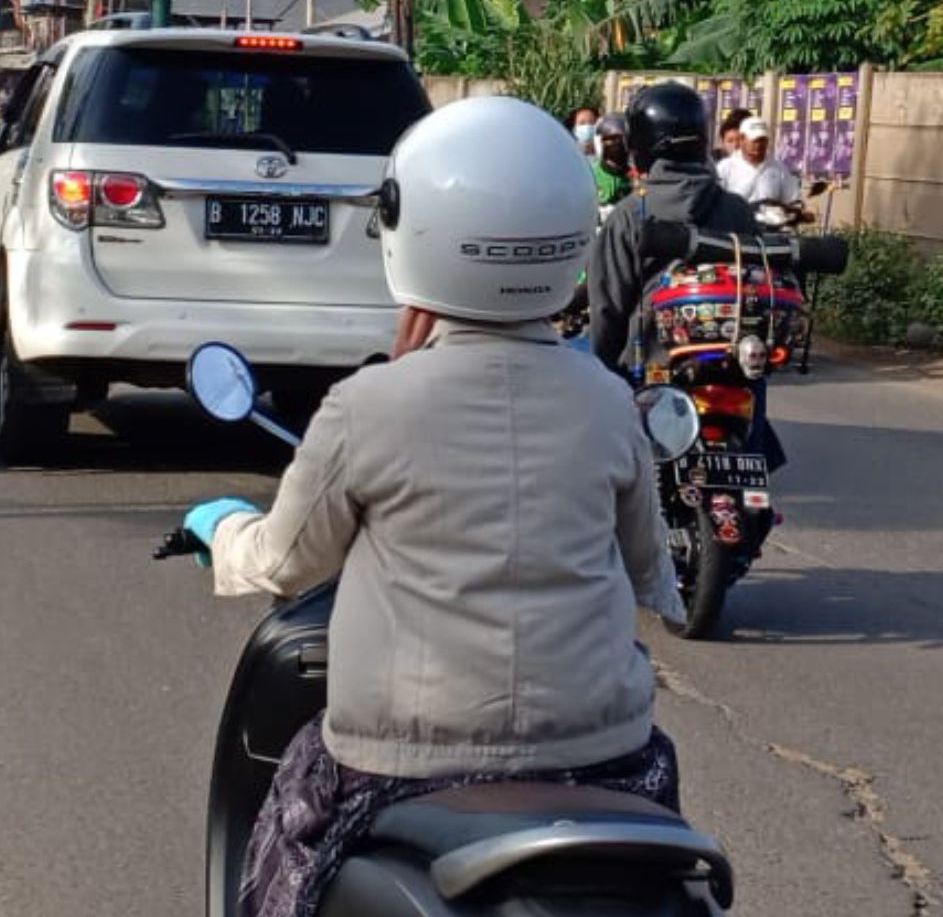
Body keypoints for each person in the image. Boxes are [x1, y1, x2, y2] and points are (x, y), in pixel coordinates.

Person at [184, 96, 685, 917]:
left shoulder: (369, 404)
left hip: (401, 762)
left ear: (405, 224)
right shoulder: (606, 400)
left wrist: (222, 529)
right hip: (607, 762)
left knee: (286, 846)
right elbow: (648, 575)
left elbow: (286, 561)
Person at [586, 81, 755, 376]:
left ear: (638, 145)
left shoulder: (629, 215)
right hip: (730, 365)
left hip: (651, 371)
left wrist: (605, 373)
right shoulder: (737, 210)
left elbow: (607, 310)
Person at [715, 115, 804, 207]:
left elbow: (793, 201)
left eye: (762, 140)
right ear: (742, 139)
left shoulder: (779, 169)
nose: (758, 144)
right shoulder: (725, 168)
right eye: (754, 140)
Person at [590, 112, 633, 207]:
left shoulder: (636, 178)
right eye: (607, 139)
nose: (611, 144)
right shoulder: (590, 176)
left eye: (616, 139)